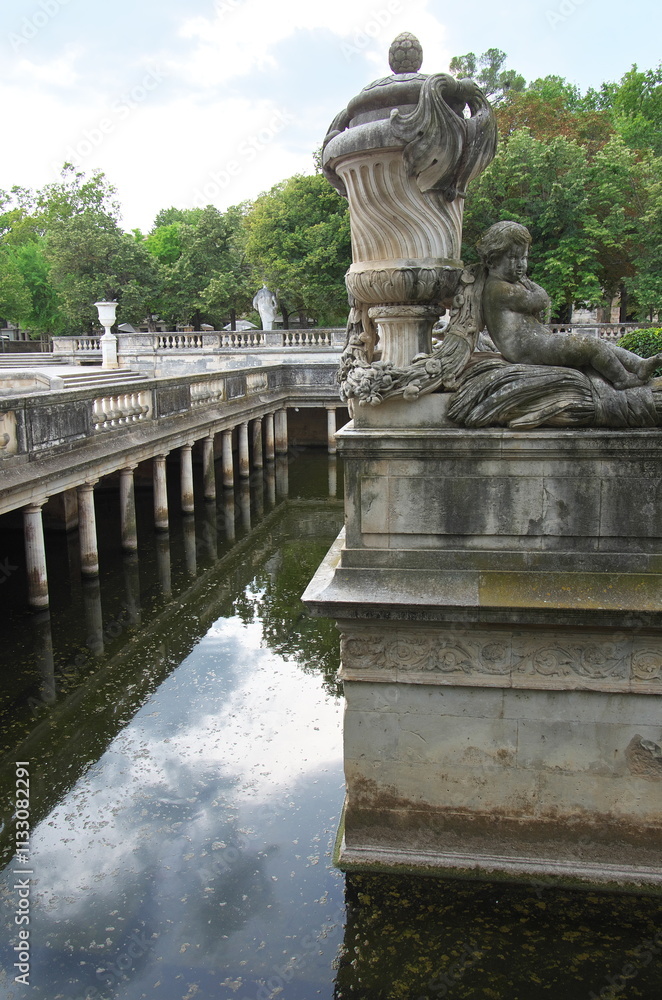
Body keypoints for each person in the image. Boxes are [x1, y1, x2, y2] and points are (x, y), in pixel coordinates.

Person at [479, 222, 662, 390]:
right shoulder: (500, 289)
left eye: (524, 257)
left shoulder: (507, 284)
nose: (521, 265)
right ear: (491, 261)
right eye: (513, 258)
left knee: (598, 343)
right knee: (589, 346)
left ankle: (638, 364)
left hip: (535, 343)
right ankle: (622, 379)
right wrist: (528, 282)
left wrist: (524, 281)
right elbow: (541, 300)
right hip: (528, 349)